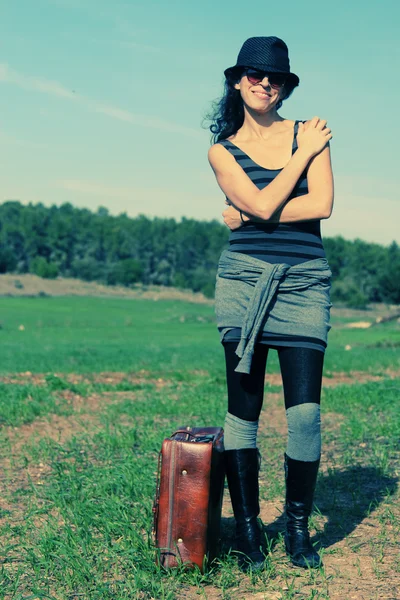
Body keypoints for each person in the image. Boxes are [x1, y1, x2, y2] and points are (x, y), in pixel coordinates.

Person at [207, 36, 334, 572]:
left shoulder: (310, 133)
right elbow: (265, 200)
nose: (265, 83)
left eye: (275, 77)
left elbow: (322, 204)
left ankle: (299, 529)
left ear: (284, 86)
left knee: (304, 415)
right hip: (243, 282)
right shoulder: (221, 149)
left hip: (304, 281)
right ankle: (251, 529)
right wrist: (295, 166)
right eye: (255, 75)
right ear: (238, 81)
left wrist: (248, 213)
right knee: (244, 412)